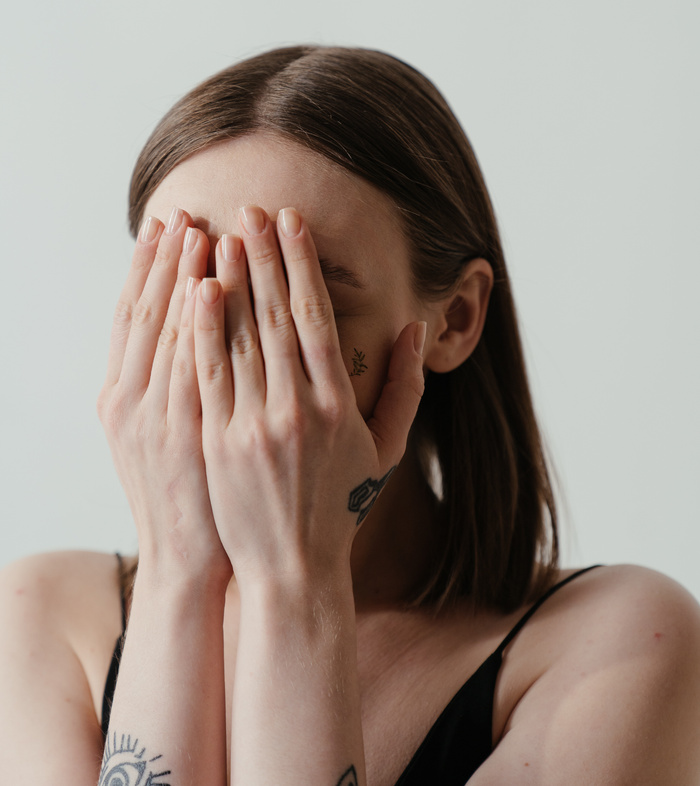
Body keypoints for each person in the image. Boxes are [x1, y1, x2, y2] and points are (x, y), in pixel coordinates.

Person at [1, 44, 699, 786]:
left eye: (297, 305)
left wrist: (293, 582)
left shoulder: (615, 642)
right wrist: (177, 571)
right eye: (187, 292)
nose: (227, 353)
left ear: (456, 319)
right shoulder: (42, 617)